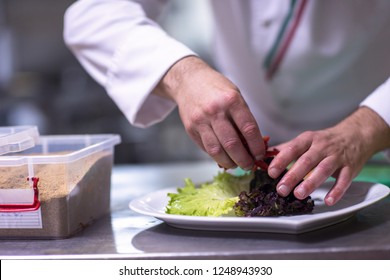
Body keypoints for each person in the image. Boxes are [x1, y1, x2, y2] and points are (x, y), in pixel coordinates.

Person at [63, 0, 390, 206]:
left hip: (375, 145)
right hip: (247, 150)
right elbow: (93, 13)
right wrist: (182, 74)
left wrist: (366, 129)